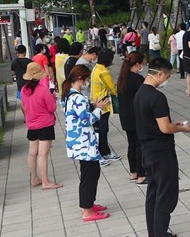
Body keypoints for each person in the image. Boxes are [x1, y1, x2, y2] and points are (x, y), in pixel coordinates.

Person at [134, 57, 190, 237]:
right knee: (165, 195)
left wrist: (171, 125)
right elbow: (165, 128)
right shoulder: (157, 97)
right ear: (159, 74)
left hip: (147, 150)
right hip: (161, 152)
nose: (167, 79)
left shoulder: (140, 93)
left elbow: (156, 123)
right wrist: (182, 128)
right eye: (167, 75)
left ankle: (154, 233)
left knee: (153, 192)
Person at [63, 65, 110, 223]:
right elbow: (87, 120)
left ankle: (88, 204)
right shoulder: (77, 98)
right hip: (83, 143)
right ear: (79, 79)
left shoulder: (72, 95)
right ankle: (87, 211)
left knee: (90, 173)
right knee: (89, 176)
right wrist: (99, 110)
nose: (88, 81)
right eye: (86, 79)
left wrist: (93, 107)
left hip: (81, 143)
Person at [21, 62, 62, 190]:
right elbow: (52, 108)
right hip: (45, 124)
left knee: (32, 153)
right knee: (43, 154)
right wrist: (53, 97)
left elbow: (23, 105)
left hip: (31, 124)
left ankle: (34, 178)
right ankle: (45, 181)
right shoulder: (43, 90)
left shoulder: (24, 90)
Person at [117, 52, 147, 186]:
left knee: (132, 145)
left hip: (125, 117)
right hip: (137, 116)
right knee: (140, 145)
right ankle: (142, 175)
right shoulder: (137, 79)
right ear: (137, 64)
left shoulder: (122, 78)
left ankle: (133, 172)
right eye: (142, 64)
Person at [90, 48, 120, 165]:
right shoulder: (104, 72)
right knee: (102, 130)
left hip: (95, 102)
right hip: (103, 104)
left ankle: (103, 152)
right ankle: (103, 153)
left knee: (98, 129)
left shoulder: (96, 68)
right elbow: (113, 89)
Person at [10, 45, 32, 110]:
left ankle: (26, 117)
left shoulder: (14, 62)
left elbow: (13, 72)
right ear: (25, 52)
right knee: (30, 101)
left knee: (22, 102)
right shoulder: (29, 61)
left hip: (20, 84)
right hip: (30, 84)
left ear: (17, 52)